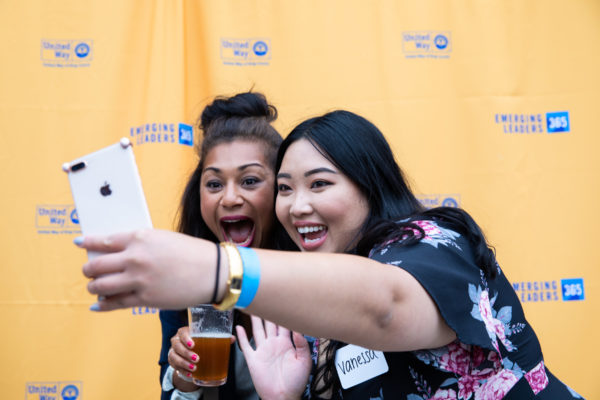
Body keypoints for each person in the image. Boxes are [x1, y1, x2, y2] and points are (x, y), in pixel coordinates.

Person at [77, 110, 583, 399]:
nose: (298, 206)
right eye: (287, 189)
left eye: (320, 184)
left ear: (370, 184)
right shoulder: (313, 322)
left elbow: (385, 306)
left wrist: (215, 271)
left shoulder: (432, 240)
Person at [157, 91, 297, 400]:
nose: (230, 198)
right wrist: (184, 373)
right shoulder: (183, 282)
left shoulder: (317, 271)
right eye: (215, 184)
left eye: (249, 181)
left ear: (281, 189)